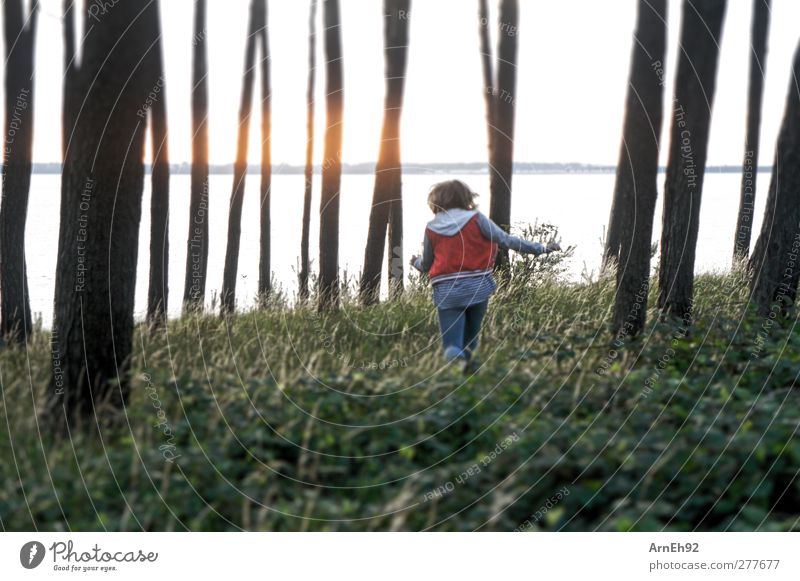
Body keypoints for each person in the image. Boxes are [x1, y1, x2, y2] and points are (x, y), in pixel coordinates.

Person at [410, 180, 561, 372]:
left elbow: (427, 264)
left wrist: (414, 262)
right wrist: (542, 248)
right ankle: (471, 375)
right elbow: (507, 240)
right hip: (478, 287)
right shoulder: (476, 219)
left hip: (447, 291)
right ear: (466, 197)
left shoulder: (432, 227)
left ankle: (456, 363)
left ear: (436, 202)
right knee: (471, 338)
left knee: (452, 345)